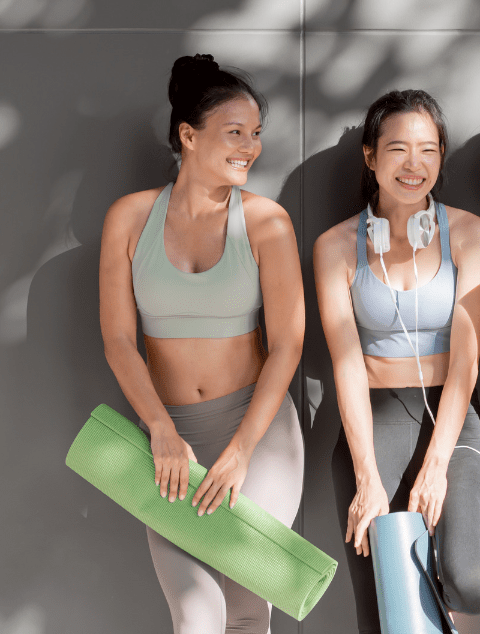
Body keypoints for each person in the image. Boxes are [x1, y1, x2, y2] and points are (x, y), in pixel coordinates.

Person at [98, 53, 305, 634]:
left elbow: (288, 344)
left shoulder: (267, 222)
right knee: (193, 617)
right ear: (188, 136)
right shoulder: (131, 218)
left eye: (256, 133)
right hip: (169, 440)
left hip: (258, 437)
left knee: (244, 609)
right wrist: (161, 429)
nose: (250, 147)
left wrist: (241, 450)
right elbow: (118, 339)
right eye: (234, 132)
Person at [313, 89, 480, 633]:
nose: (414, 164)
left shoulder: (469, 233)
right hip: (374, 423)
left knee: (476, 580)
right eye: (398, 149)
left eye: (428, 149)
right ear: (371, 157)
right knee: (390, 616)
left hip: (453, 416)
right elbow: (346, 361)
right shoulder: (336, 245)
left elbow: (468, 356)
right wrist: (367, 475)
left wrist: (438, 464)